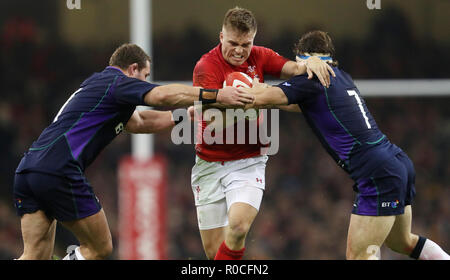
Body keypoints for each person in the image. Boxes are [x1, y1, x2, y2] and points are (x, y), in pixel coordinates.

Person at [12, 43, 254, 260]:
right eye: (145, 76)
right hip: (59, 171)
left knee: (34, 255)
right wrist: (216, 95)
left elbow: (139, 122)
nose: (146, 82)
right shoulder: (116, 82)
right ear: (133, 68)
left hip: (28, 171)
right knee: (100, 248)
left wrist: (185, 115)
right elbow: (160, 95)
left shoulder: (96, 88)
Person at [239, 30, 450, 260]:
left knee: (359, 255)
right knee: (402, 242)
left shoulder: (310, 81)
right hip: (396, 162)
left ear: (302, 59)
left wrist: (228, 88)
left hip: (377, 173)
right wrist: (265, 92)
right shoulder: (341, 77)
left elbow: (259, 98)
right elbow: (300, 104)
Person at [191, 6, 335, 260]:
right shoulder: (206, 65)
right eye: (233, 43)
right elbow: (212, 120)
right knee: (214, 252)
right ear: (221, 37)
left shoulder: (259, 56)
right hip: (209, 164)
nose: (239, 50)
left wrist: (309, 62)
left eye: (245, 44)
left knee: (237, 228)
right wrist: (250, 103)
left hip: (249, 161)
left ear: (253, 40)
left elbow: (292, 69)